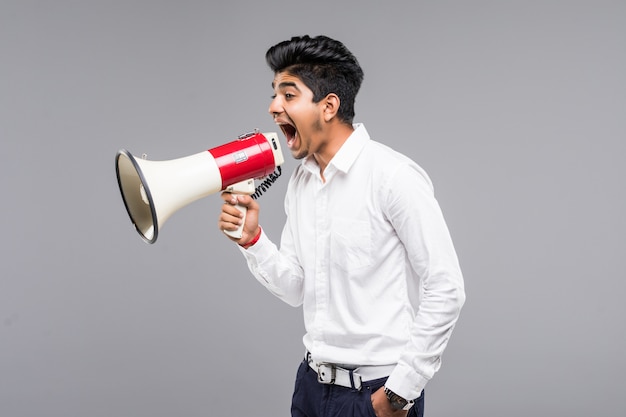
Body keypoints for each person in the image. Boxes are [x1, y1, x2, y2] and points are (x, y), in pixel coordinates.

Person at [218, 35, 465, 417]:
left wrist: (399, 393)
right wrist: (253, 241)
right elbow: (297, 287)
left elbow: (446, 288)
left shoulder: (393, 176)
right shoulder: (301, 182)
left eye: (288, 95)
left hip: (376, 395)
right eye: (273, 95)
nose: (272, 107)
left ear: (329, 105)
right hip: (311, 387)